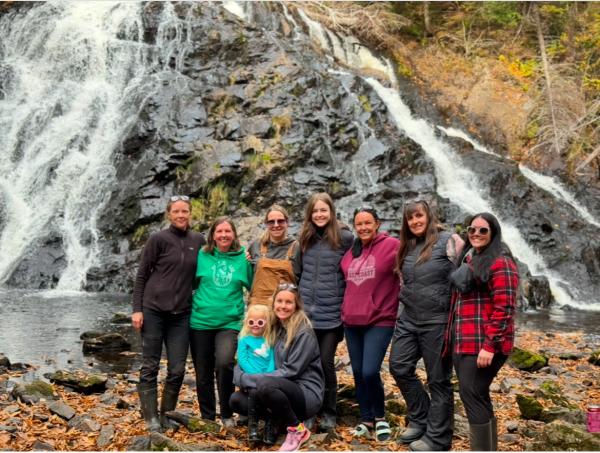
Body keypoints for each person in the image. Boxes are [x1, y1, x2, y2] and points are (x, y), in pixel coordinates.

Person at [389, 200, 464, 451]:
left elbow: (468, 269)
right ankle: (420, 418)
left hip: (437, 321)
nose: (415, 222)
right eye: (410, 218)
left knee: (438, 380)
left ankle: (439, 438)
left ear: (428, 216)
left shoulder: (449, 240)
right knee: (399, 366)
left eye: (419, 216)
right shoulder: (407, 246)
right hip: (409, 319)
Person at [132, 195, 205, 432]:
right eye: (176, 212)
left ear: (190, 214)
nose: (181, 215)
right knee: (150, 365)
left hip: (182, 314)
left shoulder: (198, 240)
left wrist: (243, 255)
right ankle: (151, 417)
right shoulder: (158, 239)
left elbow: (217, 257)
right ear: (169, 214)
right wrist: (137, 310)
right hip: (153, 310)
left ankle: (167, 415)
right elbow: (142, 275)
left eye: (185, 211)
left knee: (177, 369)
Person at [446, 213, 519, 451]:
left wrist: (489, 345)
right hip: (464, 340)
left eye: (483, 230)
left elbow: (505, 307)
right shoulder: (469, 259)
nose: (476, 234)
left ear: (493, 233)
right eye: (472, 229)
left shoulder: (501, 262)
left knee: (471, 394)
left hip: (483, 344)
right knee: (477, 394)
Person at [231, 284, 324, 451]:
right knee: (236, 401)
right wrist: (241, 377)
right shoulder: (273, 327)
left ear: (296, 305)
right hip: (275, 387)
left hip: (304, 393)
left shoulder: (304, 332)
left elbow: (291, 371)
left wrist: (251, 381)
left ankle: (297, 429)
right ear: (273, 303)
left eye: (289, 302)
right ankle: (277, 420)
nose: (283, 306)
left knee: (266, 386)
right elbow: (244, 358)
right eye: (279, 301)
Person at [340, 207, 401, 442]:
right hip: (352, 321)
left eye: (368, 223)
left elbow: (414, 258)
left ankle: (380, 417)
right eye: (359, 224)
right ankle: (365, 418)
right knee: (357, 371)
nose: (363, 228)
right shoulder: (350, 252)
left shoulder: (392, 246)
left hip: (380, 320)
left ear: (377, 223)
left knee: (370, 370)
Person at [189, 216, 253, 427]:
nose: (224, 235)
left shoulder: (243, 259)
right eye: (219, 232)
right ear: (213, 235)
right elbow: (187, 282)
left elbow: (254, 288)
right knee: (202, 371)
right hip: (200, 321)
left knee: (225, 363)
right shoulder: (202, 255)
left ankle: (226, 413)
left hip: (230, 322)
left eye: (227, 231)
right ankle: (207, 417)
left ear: (233, 234)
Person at [298, 192, 353, 432]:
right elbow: (296, 272)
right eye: (315, 211)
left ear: (331, 212)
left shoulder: (345, 238)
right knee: (307, 362)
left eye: (324, 210)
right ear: (310, 214)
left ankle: (330, 411)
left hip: (332, 313)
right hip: (306, 315)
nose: (319, 215)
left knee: (325, 362)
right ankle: (310, 410)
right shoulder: (304, 238)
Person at [237, 304, 277, 443]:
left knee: (270, 396)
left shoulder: (270, 338)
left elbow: (272, 358)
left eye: (260, 322)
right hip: (252, 377)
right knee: (254, 393)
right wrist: (255, 374)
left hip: (268, 377)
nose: (255, 325)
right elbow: (242, 359)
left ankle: (269, 427)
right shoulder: (244, 339)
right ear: (246, 322)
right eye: (251, 322)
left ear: (267, 322)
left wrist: (269, 374)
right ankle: (252, 428)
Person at [247, 204, 301, 306]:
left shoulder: (297, 247)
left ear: (287, 222)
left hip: (284, 310)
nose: (276, 225)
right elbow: (246, 275)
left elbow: (303, 281)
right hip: (258, 311)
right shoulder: (256, 245)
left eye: (280, 221)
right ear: (266, 224)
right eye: (271, 222)